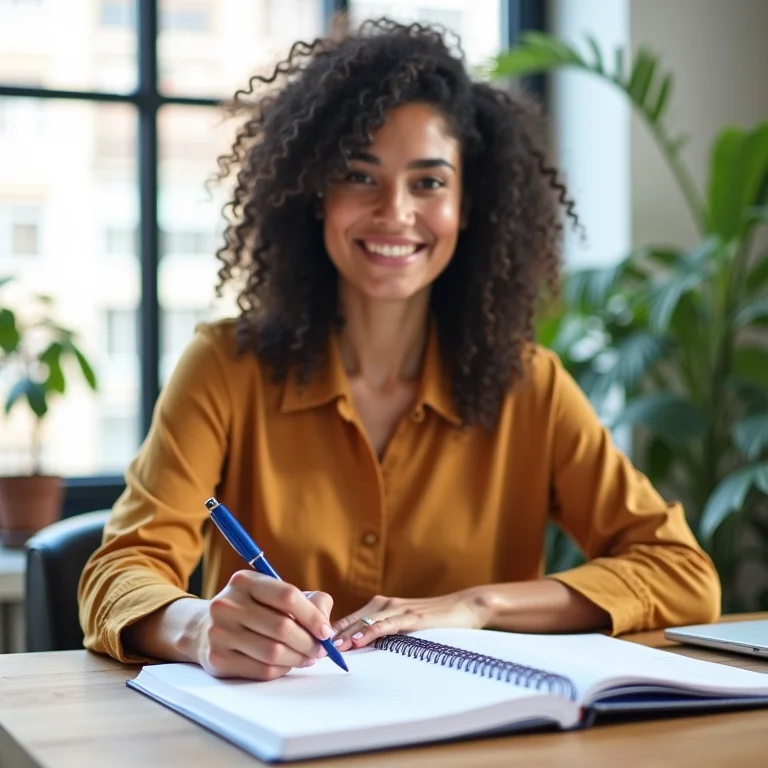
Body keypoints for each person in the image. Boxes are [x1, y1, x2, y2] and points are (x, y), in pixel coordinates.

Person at [79, 18, 720, 682]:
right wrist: (200, 627)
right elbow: (120, 572)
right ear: (316, 194)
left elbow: (680, 571)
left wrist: (477, 605)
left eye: (428, 182)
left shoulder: (530, 386)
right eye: (359, 174)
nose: (394, 212)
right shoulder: (224, 367)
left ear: (469, 205)